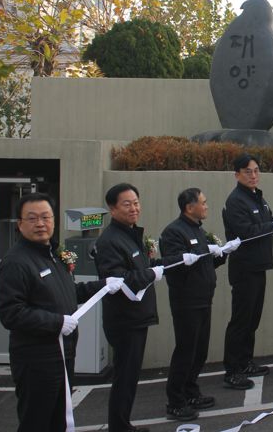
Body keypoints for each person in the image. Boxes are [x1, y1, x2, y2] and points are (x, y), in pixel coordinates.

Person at [0, 193, 123, 432]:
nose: (40, 224)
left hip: (63, 353)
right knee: (37, 420)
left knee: (58, 419)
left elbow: (69, 292)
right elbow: (10, 312)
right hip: (37, 359)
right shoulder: (16, 262)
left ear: (53, 220)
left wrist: (104, 284)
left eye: (45, 217)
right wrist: (56, 322)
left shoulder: (54, 255)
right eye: (32, 218)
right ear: (20, 224)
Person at [95, 183, 197, 432]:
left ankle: (122, 424)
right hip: (125, 320)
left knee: (129, 378)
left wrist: (178, 260)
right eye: (127, 204)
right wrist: (152, 273)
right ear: (112, 208)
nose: (134, 208)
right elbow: (117, 280)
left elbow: (147, 266)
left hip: (137, 318)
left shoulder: (131, 234)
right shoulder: (110, 241)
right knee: (124, 378)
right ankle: (119, 427)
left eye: (136, 202)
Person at [221, 154, 273, 389]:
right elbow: (246, 232)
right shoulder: (236, 201)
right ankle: (232, 370)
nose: (253, 175)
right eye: (248, 171)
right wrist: (272, 225)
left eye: (256, 170)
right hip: (244, 268)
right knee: (241, 319)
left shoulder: (258, 198)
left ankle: (245, 362)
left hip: (259, 266)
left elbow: (269, 225)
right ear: (237, 174)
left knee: (252, 319)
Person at [159, 188, 227, 421]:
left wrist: (220, 254)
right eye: (203, 203)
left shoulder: (197, 230)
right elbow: (173, 266)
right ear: (190, 207)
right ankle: (176, 401)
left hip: (203, 299)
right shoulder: (173, 232)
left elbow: (203, 264)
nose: (207, 206)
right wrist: (188, 258)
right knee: (186, 351)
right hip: (186, 301)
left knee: (199, 351)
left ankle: (190, 391)